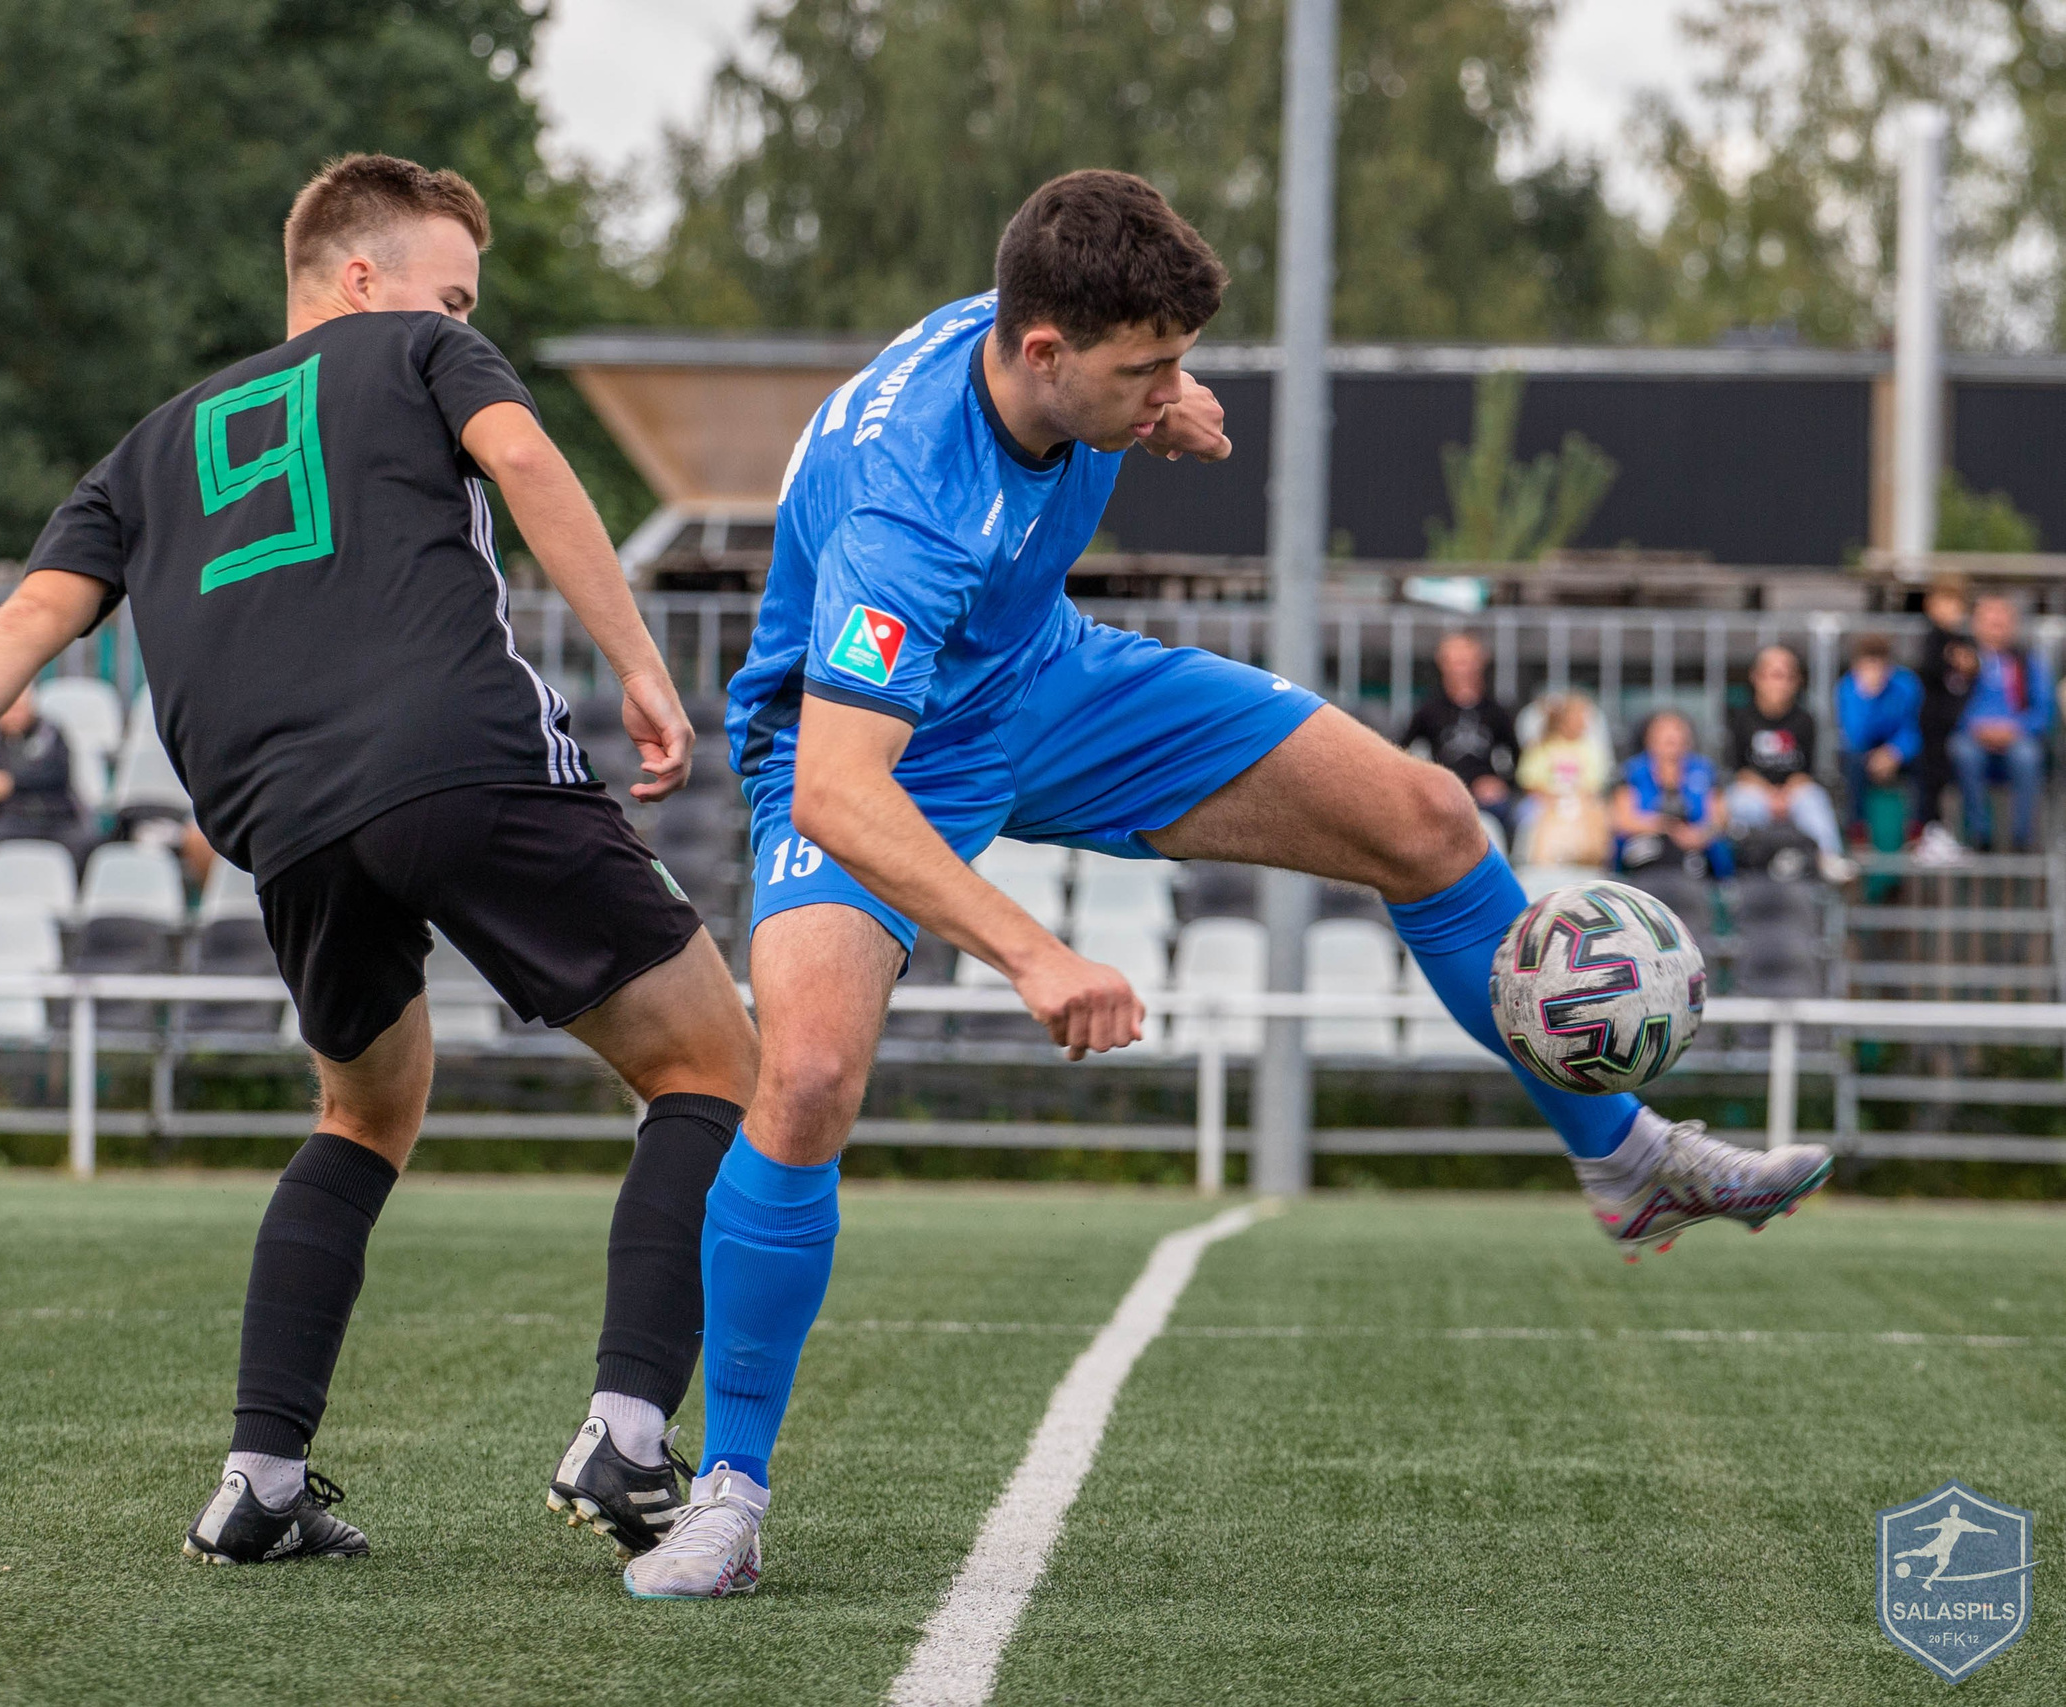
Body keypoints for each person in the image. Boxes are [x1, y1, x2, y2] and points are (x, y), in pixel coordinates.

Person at [623, 171, 1833, 1602]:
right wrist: (1035, 955)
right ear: (1043, 352)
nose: (1172, 391)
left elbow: (1105, 360)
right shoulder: (909, 506)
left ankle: (1626, 1162)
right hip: (863, 751)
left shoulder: (1044, 335)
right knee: (812, 1075)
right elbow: (841, 788)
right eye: (1148, 371)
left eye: (1179, 362)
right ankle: (730, 1494)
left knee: (1429, 819)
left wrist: (1166, 404)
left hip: (1045, 681)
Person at [0, 153, 759, 1570]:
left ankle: (259, 1479)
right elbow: (529, 460)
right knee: (710, 1063)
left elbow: (34, 613)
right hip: (457, 757)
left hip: (281, 820)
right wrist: (641, 664)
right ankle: (631, 1432)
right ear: (361, 278)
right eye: (455, 293)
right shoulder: (420, 352)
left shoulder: (146, 448)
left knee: (362, 1112)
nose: (466, 318)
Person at [1724, 644, 1853, 882]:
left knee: (1815, 800)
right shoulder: (1741, 718)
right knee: (1735, 804)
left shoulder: (1805, 720)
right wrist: (1769, 795)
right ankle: (1731, 869)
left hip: (1793, 792)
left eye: (1787, 676)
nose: (1780, 684)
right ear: (1756, 678)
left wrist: (1784, 795)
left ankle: (1829, 857)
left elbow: (1806, 772)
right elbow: (1739, 771)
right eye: (1774, 675)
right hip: (1754, 791)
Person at [1951, 592, 2051, 852]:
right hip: (1973, 737)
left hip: (2017, 738)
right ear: (1976, 624)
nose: (1996, 626)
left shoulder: (2027, 664)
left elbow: (2043, 711)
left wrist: (2015, 728)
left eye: (2002, 620)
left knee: (2027, 756)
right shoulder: (1961, 661)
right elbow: (1949, 707)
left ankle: (2022, 840)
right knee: (1963, 751)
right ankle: (1979, 837)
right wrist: (1976, 727)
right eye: (1990, 620)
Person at [0, 685, 95, 869]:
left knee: (83, 844)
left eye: (17, 709)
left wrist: (10, 783)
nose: (12, 715)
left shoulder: (51, 733)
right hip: (9, 819)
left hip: (56, 817)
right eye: (7, 709)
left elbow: (58, 773)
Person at [1397, 633, 1517, 842]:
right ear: (1443, 665)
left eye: (1467, 661)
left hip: (1485, 799)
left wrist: (1503, 783)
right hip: (1442, 793)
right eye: (1455, 662)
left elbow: (1518, 756)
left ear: (1480, 663)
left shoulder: (1496, 712)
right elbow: (1401, 750)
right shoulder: (1428, 710)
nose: (1462, 669)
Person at [1612, 710, 1729, 879]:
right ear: (1649, 738)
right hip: (1646, 845)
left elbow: (1719, 819)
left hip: (1695, 848)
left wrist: (1699, 835)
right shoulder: (1632, 771)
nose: (1672, 736)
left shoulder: (1705, 770)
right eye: (1663, 730)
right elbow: (1624, 820)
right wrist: (1667, 827)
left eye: (1677, 729)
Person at [1835, 634, 1922, 855]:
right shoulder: (1848, 688)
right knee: (1852, 762)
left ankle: (1917, 831)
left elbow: (1912, 729)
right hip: (1862, 751)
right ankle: (1857, 830)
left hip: (1896, 748)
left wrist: (1895, 752)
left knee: (1924, 761)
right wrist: (1868, 697)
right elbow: (1855, 735)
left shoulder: (1907, 684)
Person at [1912, 575, 1977, 866]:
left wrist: (1970, 664)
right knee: (1932, 778)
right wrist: (1954, 659)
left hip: (1955, 725)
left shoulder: (1964, 640)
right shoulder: (1934, 639)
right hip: (1933, 724)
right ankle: (1928, 831)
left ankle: (1947, 832)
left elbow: (1972, 673)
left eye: (1956, 604)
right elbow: (1931, 670)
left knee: (1950, 779)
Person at [1510, 694, 1611, 867]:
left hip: (1581, 800)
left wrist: (1574, 799)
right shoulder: (1540, 747)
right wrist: (1550, 798)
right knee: (1529, 817)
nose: (1583, 723)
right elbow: (1529, 781)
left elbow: (1594, 784)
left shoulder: (1591, 749)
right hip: (1543, 800)